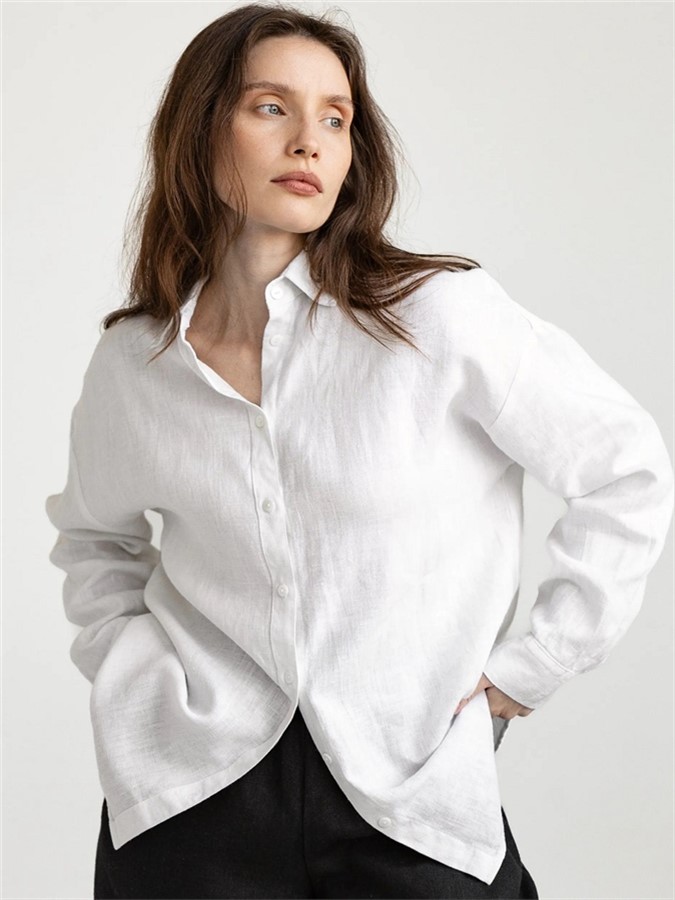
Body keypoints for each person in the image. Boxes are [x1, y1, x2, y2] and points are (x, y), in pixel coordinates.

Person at [44, 3, 674, 899]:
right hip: (190, 803)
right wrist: (129, 669)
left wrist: (531, 669)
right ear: (200, 128)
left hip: (410, 796)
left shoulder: (434, 316)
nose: (309, 140)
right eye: (270, 107)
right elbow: (93, 538)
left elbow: (625, 469)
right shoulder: (135, 361)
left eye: (335, 118)